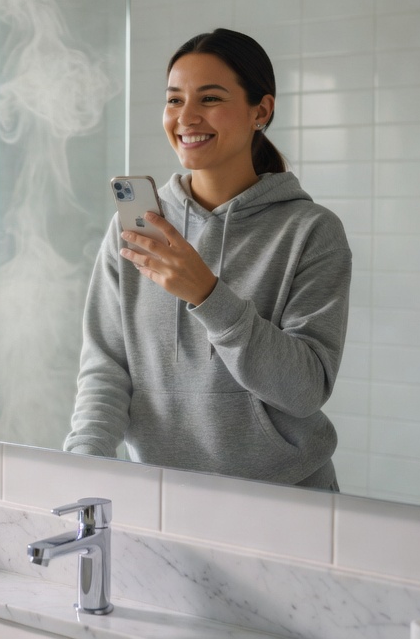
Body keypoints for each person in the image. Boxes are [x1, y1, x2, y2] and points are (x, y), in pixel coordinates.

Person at [64, 28, 350, 490]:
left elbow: (305, 390)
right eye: (174, 100)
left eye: (210, 99)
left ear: (261, 111)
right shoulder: (138, 227)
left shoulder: (310, 232)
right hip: (163, 497)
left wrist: (207, 295)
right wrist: (81, 465)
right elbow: (106, 369)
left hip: (287, 499)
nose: (187, 117)